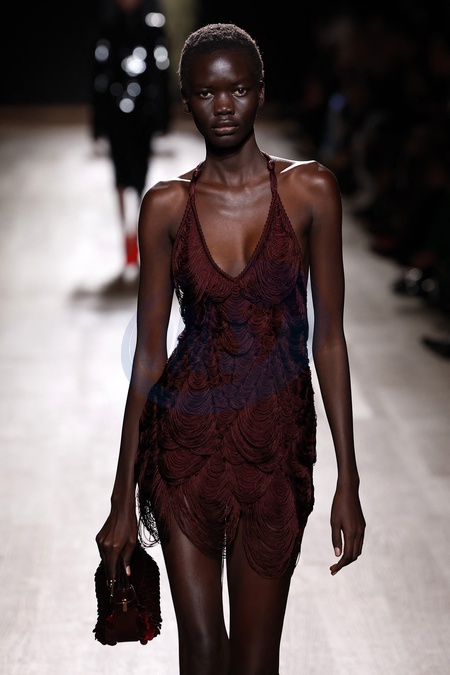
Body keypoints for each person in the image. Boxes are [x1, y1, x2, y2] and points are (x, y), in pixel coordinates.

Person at [96, 23, 366, 674]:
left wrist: (349, 478)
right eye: (206, 93)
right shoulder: (167, 206)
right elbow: (150, 355)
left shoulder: (311, 191)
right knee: (201, 651)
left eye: (238, 90)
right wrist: (121, 495)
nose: (223, 106)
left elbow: (329, 338)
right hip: (183, 443)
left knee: (254, 659)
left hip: (277, 444)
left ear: (260, 93)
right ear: (186, 100)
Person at [91, 0, 171, 275]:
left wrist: (162, 117)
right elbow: (98, 75)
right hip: (116, 116)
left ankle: (137, 235)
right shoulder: (107, 24)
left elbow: (161, 72)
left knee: (140, 175)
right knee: (120, 176)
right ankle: (127, 238)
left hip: (143, 116)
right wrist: (99, 123)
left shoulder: (152, 23)